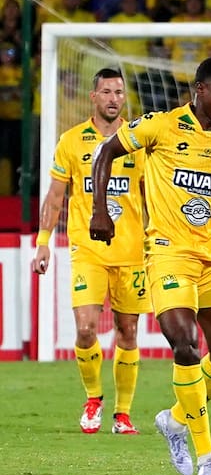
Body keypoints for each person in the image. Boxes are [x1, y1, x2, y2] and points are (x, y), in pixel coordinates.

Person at [89, 57, 211, 475]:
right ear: (200, 90)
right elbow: (106, 150)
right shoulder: (160, 126)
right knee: (184, 345)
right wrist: (101, 210)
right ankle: (208, 457)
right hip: (168, 255)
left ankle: (175, 419)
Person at [31, 68, 149, 435]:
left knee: (127, 333)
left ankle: (123, 413)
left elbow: (152, 196)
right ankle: (94, 397)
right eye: (107, 92)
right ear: (92, 96)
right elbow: (54, 197)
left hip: (132, 252)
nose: (114, 98)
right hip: (88, 250)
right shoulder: (71, 141)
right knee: (85, 329)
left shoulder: (139, 140)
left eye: (119, 92)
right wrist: (43, 242)